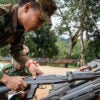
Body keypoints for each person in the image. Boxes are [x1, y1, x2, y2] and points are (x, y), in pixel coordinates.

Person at [0, 0, 57, 98]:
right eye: (40, 20)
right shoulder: (1, 15)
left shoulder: (19, 27)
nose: (39, 26)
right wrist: (6, 79)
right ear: (27, 8)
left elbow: (17, 51)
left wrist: (29, 64)